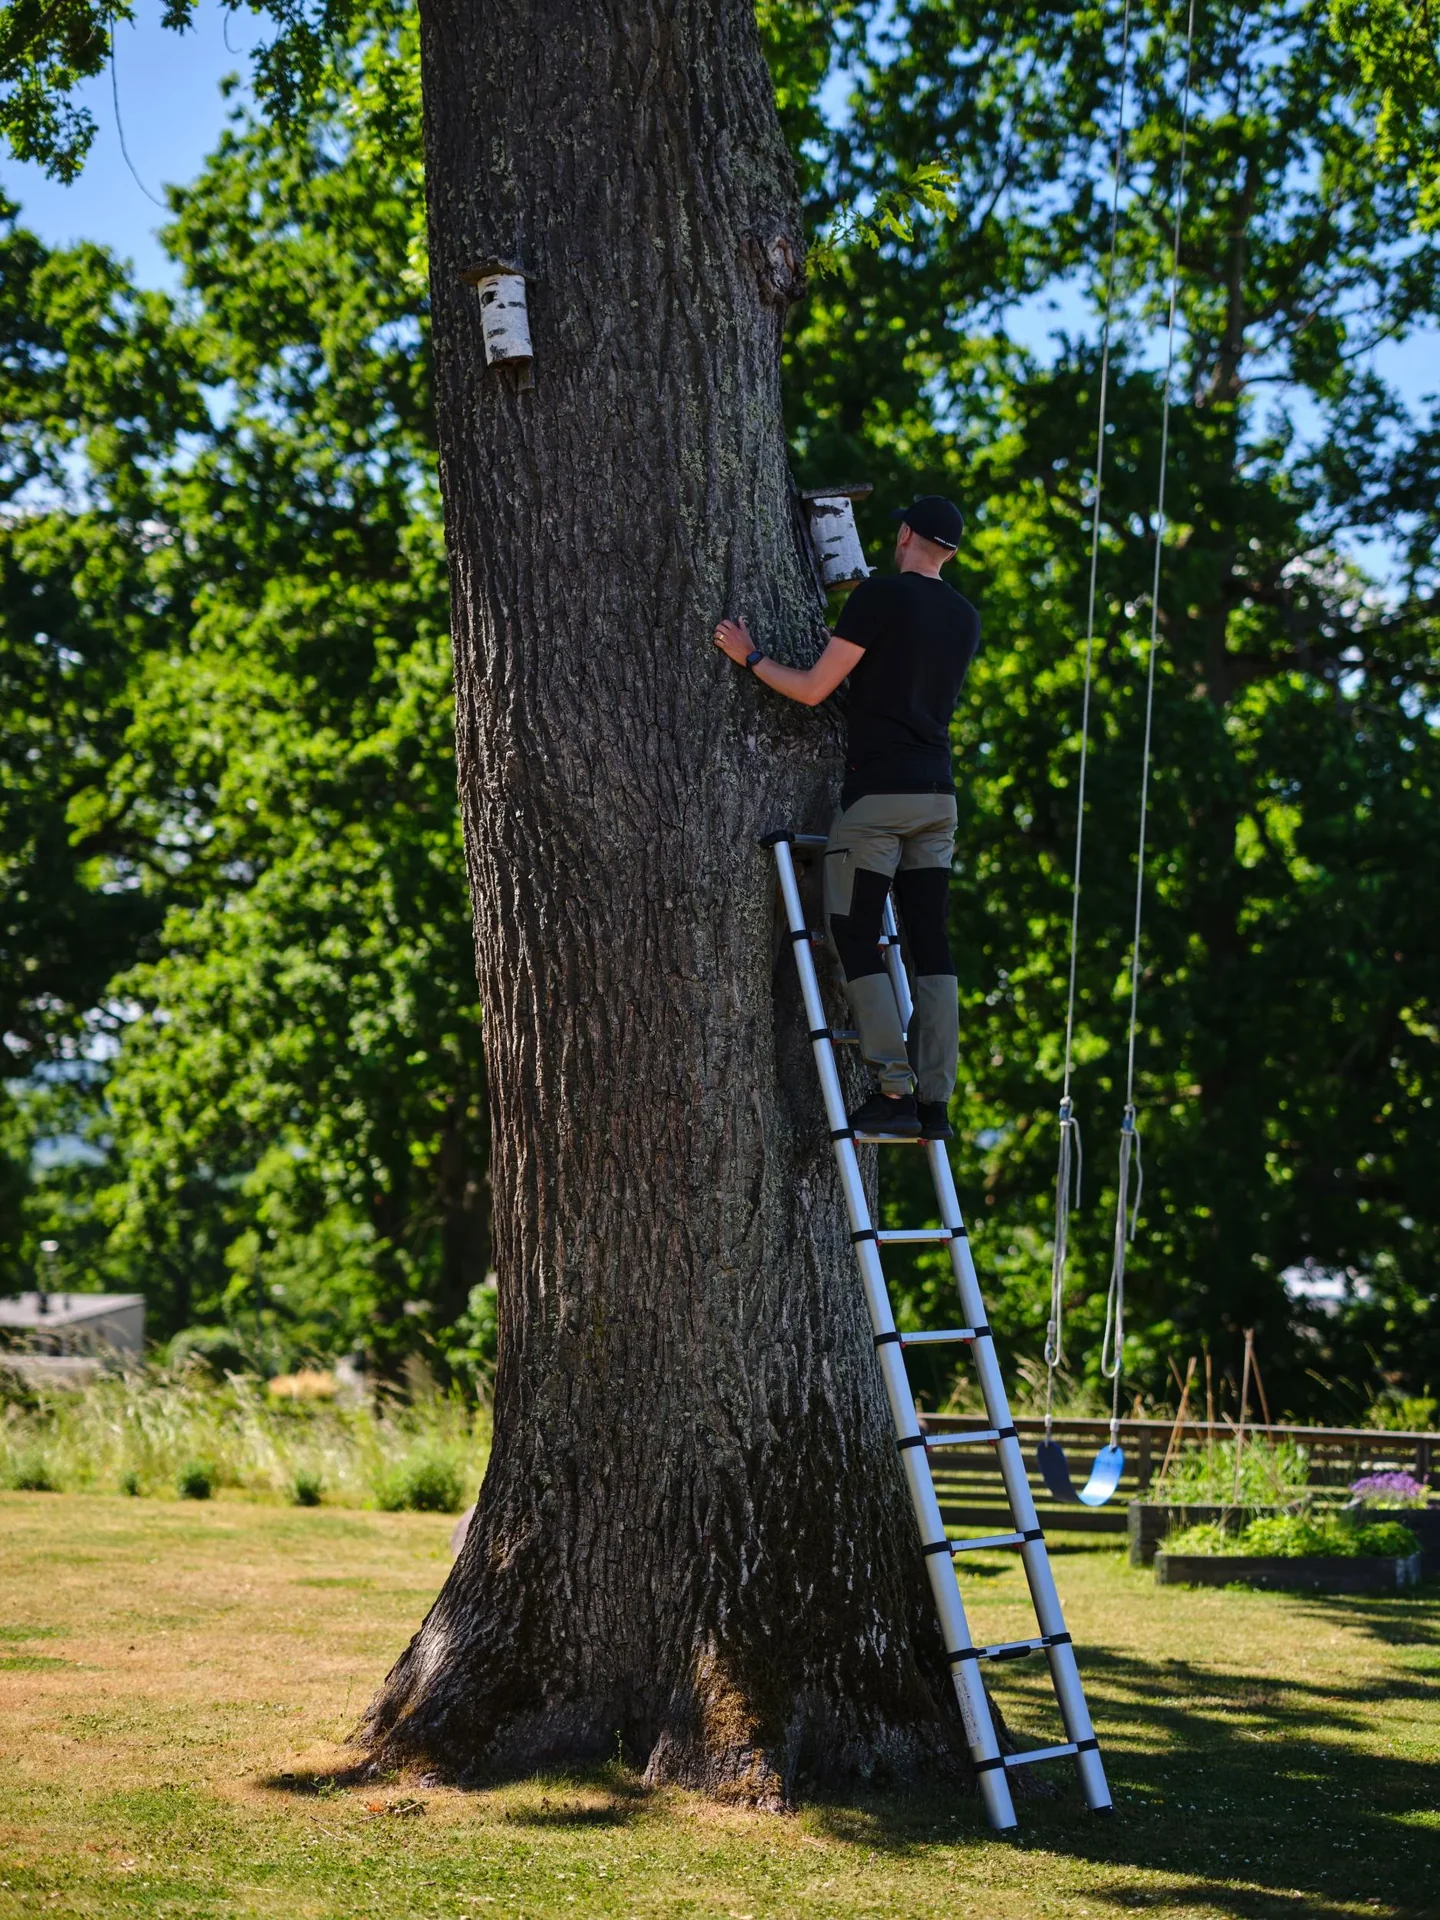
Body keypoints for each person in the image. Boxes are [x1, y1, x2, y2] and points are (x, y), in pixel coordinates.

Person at [714, 494, 979, 1140]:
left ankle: (893, 1089)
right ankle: (935, 1105)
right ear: (949, 551)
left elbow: (811, 690)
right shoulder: (964, 617)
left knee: (853, 930)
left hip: (879, 801)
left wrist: (748, 656)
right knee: (931, 945)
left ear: (906, 533)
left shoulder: (879, 599)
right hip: (937, 800)